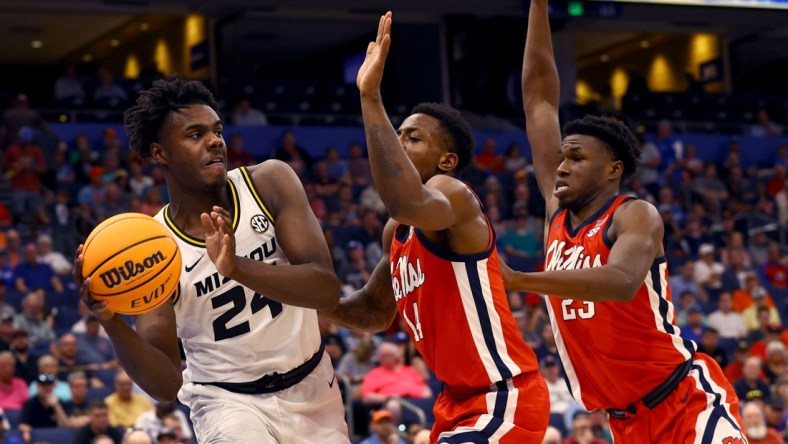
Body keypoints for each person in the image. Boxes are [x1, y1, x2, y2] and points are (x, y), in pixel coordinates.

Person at [498, 1, 747, 442]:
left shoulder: (634, 214)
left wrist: (520, 280)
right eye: (561, 157)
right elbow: (538, 99)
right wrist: (537, 5)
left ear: (613, 169)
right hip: (623, 423)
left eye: (576, 157)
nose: (561, 166)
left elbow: (620, 280)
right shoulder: (556, 214)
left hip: (685, 401)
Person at [73, 75, 348, 443]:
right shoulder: (153, 247)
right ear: (159, 153)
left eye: (216, 130)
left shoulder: (269, 183)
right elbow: (166, 383)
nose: (215, 140)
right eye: (195, 134)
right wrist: (108, 319)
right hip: (227, 402)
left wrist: (238, 267)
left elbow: (326, 290)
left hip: (313, 385)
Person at [320, 12, 549, 443]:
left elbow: (404, 197)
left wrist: (371, 98)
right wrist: (305, 300)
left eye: (414, 138)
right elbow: (373, 310)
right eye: (400, 134)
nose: (401, 143)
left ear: (446, 161)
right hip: (455, 402)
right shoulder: (396, 231)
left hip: (503, 395)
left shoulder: (453, 193)